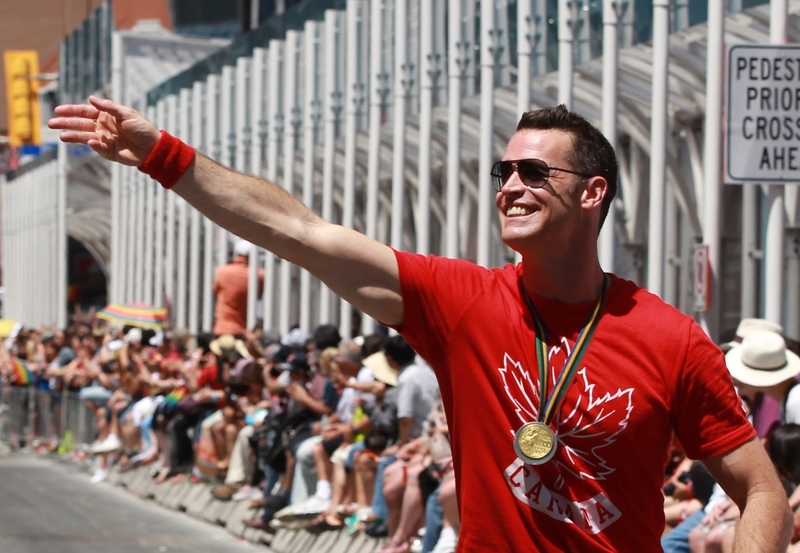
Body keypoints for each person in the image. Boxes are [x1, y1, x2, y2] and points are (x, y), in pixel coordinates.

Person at [49, 98, 791, 551]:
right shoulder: (459, 300)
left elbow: (760, 488)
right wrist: (161, 154)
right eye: (503, 171)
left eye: (536, 173)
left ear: (593, 193)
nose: (511, 186)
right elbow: (300, 232)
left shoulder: (670, 336)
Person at [213, 239, 264, 337]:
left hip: (223, 327)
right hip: (245, 329)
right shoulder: (259, 275)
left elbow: (216, 292)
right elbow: (258, 295)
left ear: (237, 253)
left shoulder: (222, 272)